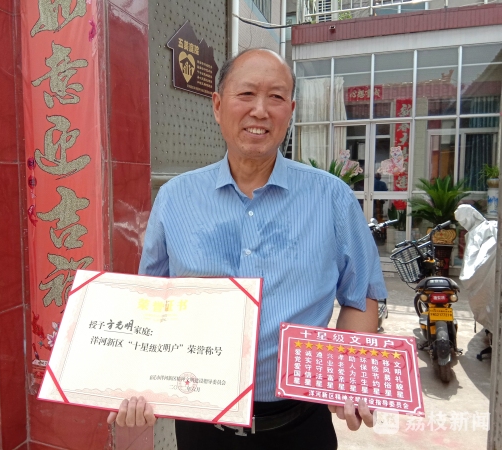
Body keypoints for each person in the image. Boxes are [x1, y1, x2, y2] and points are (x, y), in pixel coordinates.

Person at [107, 48, 387, 449]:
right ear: (218, 106)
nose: (260, 110)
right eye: (246, 94)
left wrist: (349, 375)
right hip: (202, 423)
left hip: (300, 426)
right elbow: (152, 302)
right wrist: (136, 382)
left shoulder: (332, 198)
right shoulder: (175, 198)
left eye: (276, 97)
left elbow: (360, 295)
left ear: (290, 111)